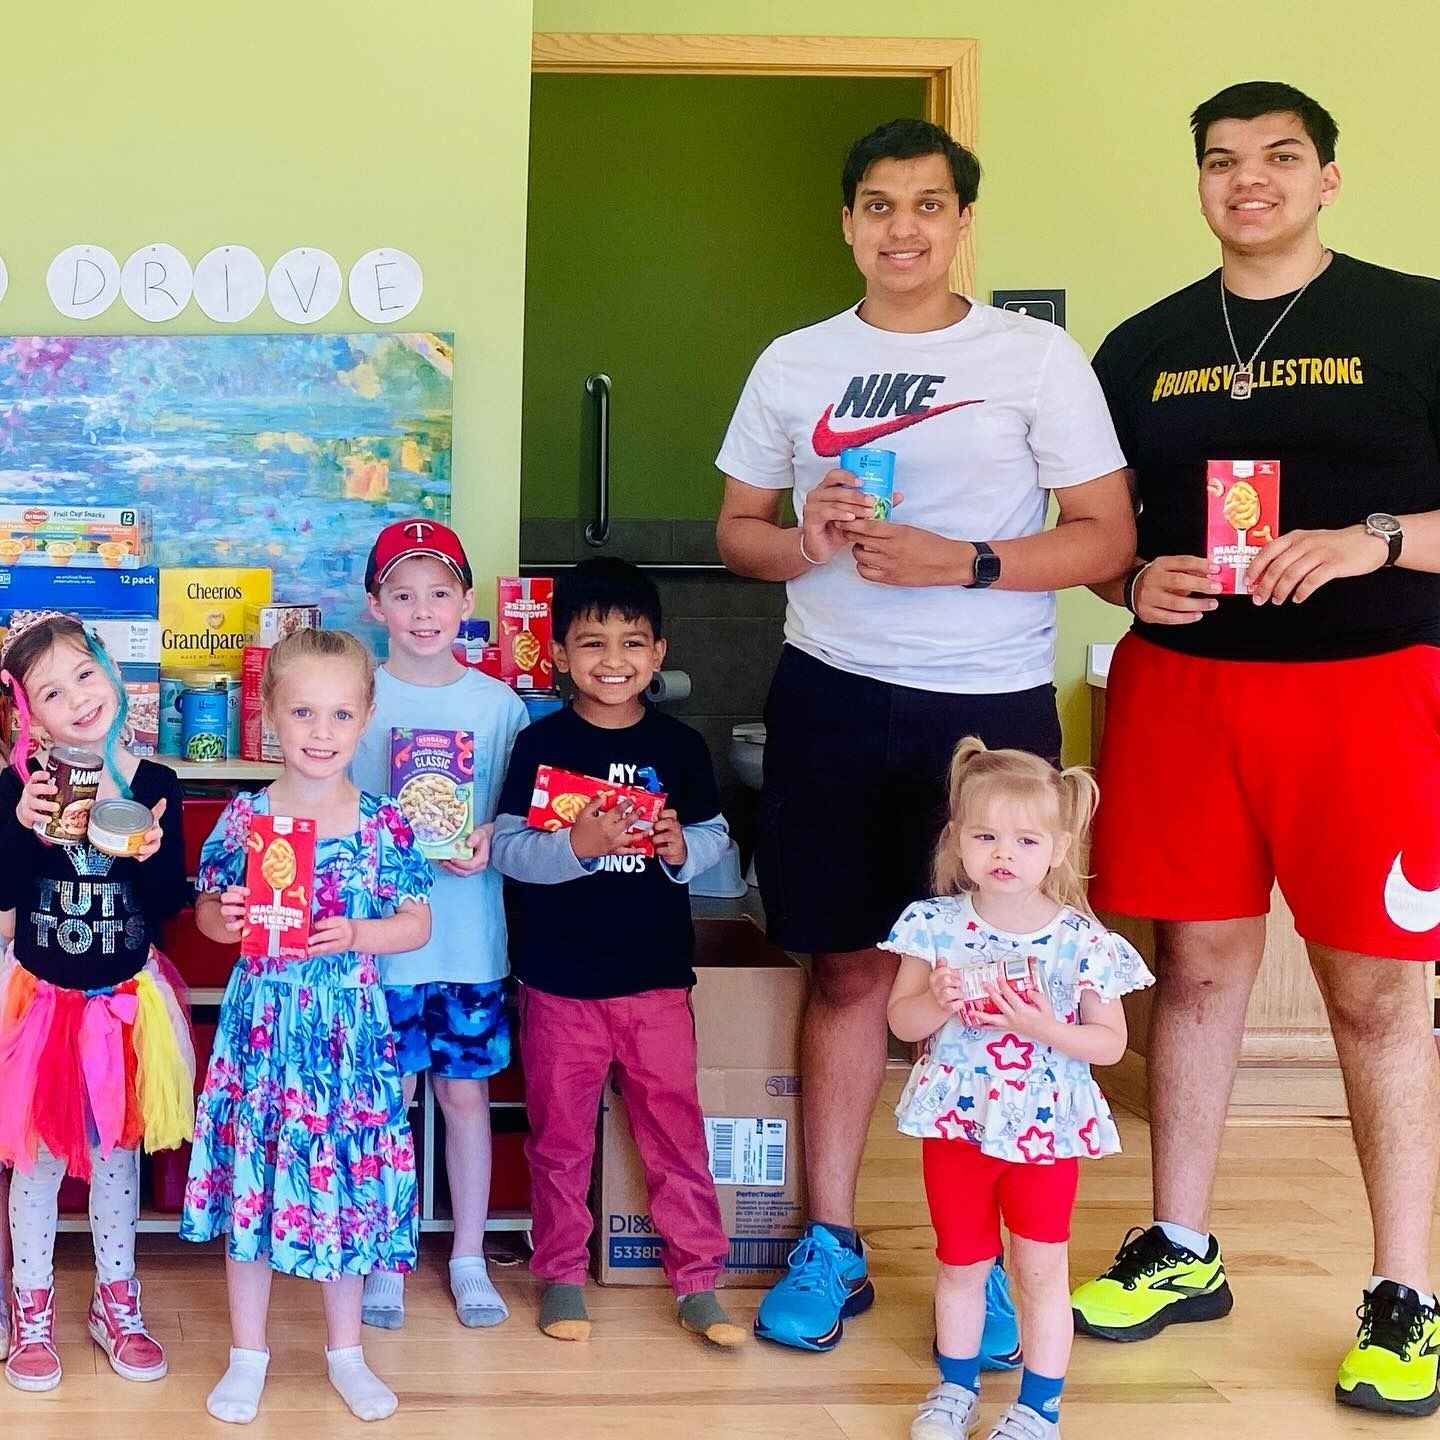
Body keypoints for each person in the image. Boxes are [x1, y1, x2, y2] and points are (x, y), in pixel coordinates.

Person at [715, 116, 1135, 1354]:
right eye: (880, 205)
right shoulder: (796, 362)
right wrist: (806, 538)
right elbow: (739, 528)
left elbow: (1106, 539)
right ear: (848, 224)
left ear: (962, 223)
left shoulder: (1035, 356)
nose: (905, 227)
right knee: (845, 966)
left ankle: (988, 1260)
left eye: (930, 204)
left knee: (990, 979)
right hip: (832, 688)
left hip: (991, 714)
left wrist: (973, 561)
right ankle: (830, 1240)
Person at [1069, 80, 1440, 1418]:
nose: (1250, 182)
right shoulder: (1143, 346)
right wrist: (1129, 588)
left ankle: (1406, 1291)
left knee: (1378, 993)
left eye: (1280, 159)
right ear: (1202, 182)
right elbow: (1101, 530)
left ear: (1328, 176)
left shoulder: (1417, 317)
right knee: (1200, 968)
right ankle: (1181, 1244)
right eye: (1223, 162)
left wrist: (1376, 539)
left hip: (1371, 686)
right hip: (1186, 687)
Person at [181, 629, 433, 1424]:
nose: (320, 732)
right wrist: (226, 914)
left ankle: (347, 1353)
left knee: (345, 1191)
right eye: (302, 712)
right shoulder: (246, 818)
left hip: (346, 1038)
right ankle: (247, 1354)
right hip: (263, 1033)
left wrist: (359, 934)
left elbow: (416, 923)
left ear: (365, 719)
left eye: (338, 714)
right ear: (268, 718)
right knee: (253, 1189)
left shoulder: (385, 823)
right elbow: (210, 920)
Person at [491, 558, 742, 1347]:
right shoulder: (540, 743)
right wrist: (578, 843)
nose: (613, 660)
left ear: (659, 653)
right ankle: (561, 1273)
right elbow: (505, 849)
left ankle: (698, 1279)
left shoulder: (680, 747)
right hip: (559, 981)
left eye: (632, 642)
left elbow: (715, 838)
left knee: (675, 1130)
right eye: (592, 642)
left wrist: (680, 847)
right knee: (560, 1139)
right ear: (560, 654)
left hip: (655, 981)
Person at [887, 740, 1151, 1440]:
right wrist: (938, 1000)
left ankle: (1039, 1407)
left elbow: (1110, 1043)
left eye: (1025, 839)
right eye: (985, 836)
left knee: (1040, 1269)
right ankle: (956, 1388)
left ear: (1058, 849)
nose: (1004, 852)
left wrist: (1046, 1026)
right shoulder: (934, 928)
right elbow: (900, 1019)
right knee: (960, 1263)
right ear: (957, 841)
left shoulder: (1082, 944)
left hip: (1042, 1131)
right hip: (956, 1127)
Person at [0, 610, 194, 1392]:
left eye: (84, 673)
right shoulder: (20, 789)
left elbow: (168, 905)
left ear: (112, 673)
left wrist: (147, 851)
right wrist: (18, 824)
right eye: (51, 691)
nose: (76, 697)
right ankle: (31, 1303)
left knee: (117, 1158)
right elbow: (7, 893)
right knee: (39, 1163)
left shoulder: (155, 786)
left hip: (125, 1001)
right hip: (44, 1004)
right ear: (29, 715)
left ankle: (116, 1299)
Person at [353, 519, 528, 1332]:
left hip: (468, 939)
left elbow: (517, 819)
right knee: (386, 1100)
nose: (423, 611)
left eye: (439, 593)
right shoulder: (357, 697)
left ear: (465, 601)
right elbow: (332, 808)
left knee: (465, 1094)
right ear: (375, 605)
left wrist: (488, 837)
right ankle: (385, 1253)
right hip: (381, 943)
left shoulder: (499, 706)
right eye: (403, 594)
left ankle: (465, 1253)